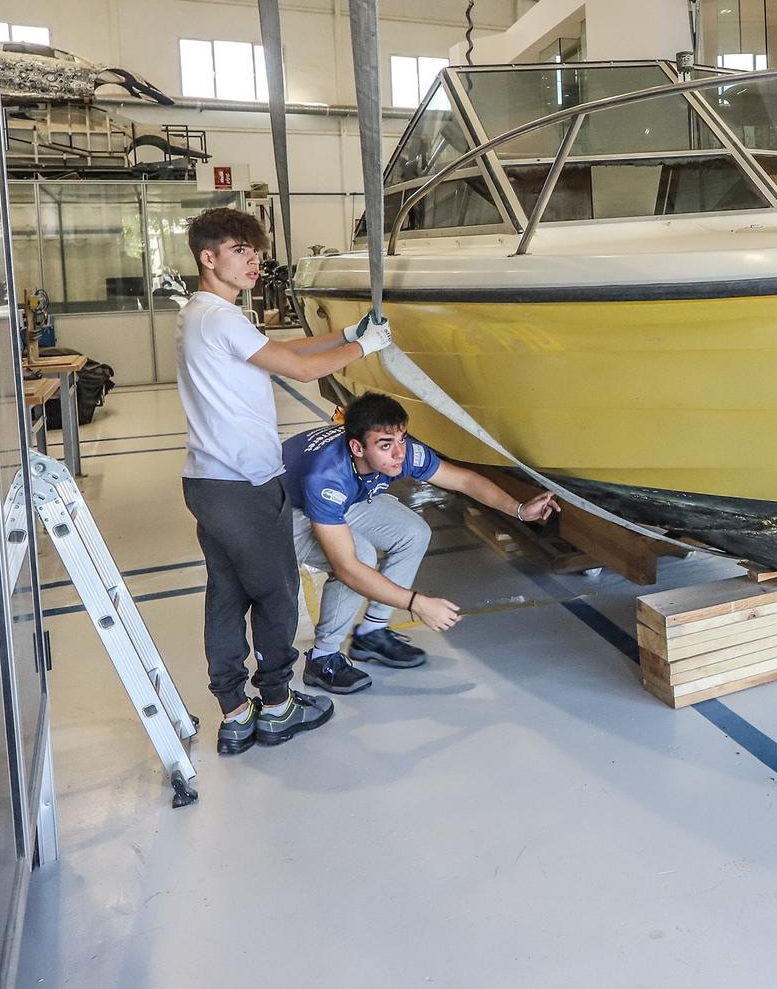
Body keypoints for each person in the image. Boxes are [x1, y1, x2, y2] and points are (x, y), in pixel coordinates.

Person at [177, 207, 393, 756]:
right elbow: (298, 371)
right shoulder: (220, 317)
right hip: (246, 485)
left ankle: (233, 712)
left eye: (255, 250)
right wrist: (365, 349)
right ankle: (276, 705)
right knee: (277, 594)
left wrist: (343, 334)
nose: (255, 260)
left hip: (209, 483)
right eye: (240, 250)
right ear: (209, 257)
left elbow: (283, 353)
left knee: (226, 596)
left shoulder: (205, 314)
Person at [284, 393, 557, 693]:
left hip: (346, 496)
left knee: (413, 532)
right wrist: (417, 603)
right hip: (284, 513)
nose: (399, 453)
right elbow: (346, 568)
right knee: (358, 557)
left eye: (401, 439)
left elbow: (464, 481)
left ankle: (371, 634)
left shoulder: (399, 453)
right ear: (357, 447)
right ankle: (323, 659)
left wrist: (520, 510)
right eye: (386, 445)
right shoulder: (325, 477)